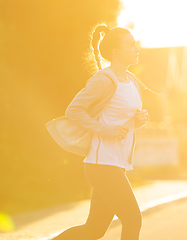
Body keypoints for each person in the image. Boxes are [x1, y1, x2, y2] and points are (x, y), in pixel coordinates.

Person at [52, 23, 149, 240]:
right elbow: (73, 110)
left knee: (93, 231)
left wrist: (139, 120)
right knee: (133, 219)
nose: (137, 49)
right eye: (132, 45)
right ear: (117, 52)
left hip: (117, 163)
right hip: (102, 164)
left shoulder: (132, 80)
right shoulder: (104, 79)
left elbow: (122, 121)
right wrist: (105, 130)